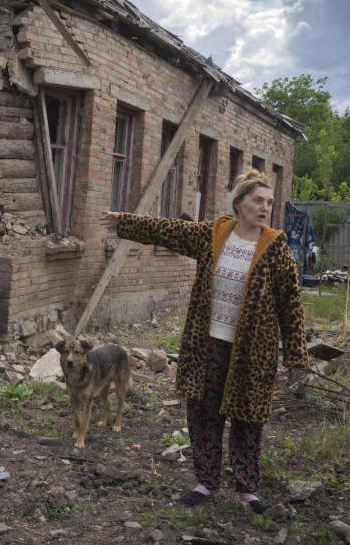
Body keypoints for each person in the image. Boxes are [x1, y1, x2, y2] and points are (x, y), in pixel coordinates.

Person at [99, 169, 308, 513]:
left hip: (253, 353)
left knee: (247, 417)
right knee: (203, 412)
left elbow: (291, 304)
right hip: (208, 343)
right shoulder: (214, 235)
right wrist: (124, 221)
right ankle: (206, 482)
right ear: (239, 203)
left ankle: (248, 491)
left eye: (269, 202)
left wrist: (297, 355)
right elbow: (168, 231)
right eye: (258, 200)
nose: (265, 207)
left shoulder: (276, 248)